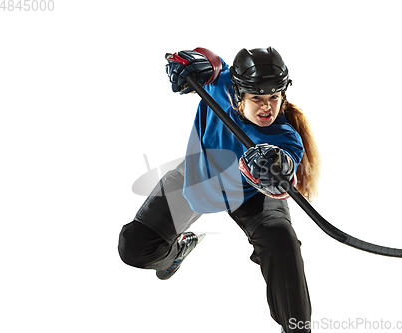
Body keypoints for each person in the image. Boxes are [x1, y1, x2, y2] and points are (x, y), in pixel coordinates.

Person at [118, 47, 321, 333]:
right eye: (257, 99)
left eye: (274, 97)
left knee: (283, 244)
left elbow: (286, 160)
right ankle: (177, 251)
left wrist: (273, 167)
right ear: (238, 94)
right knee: (134, 248)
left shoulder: (285, 136)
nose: (267, 108)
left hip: (251, 195)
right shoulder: (221, 83)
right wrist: (186, 63)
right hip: (199, 178)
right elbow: (209, 61)